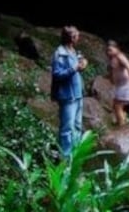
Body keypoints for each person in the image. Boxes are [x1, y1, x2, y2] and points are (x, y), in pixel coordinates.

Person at [51, 25, 88, 158]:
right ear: (71, 38)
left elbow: (79, 64)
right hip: (67, 96)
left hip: (78, 94)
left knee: (77, 126)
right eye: (77, 36)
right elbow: (57, 74)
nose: (78, 38)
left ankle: (75, 155)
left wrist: (82, 64)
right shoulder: (59, 53)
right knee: (67, 128)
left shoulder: (73, 51)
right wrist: (74, 68)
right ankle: (65, 159)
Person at [106, 40, 129, 126]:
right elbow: (113, 72)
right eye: (108, 50)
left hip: (127, 84)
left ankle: (121, 125)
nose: (109, 52)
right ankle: (123, 120)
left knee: (118, 106)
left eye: (111, 50)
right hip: (120, 85)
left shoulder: (120, 56)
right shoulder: (112, 59)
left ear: (116, 49)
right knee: (115, 105)